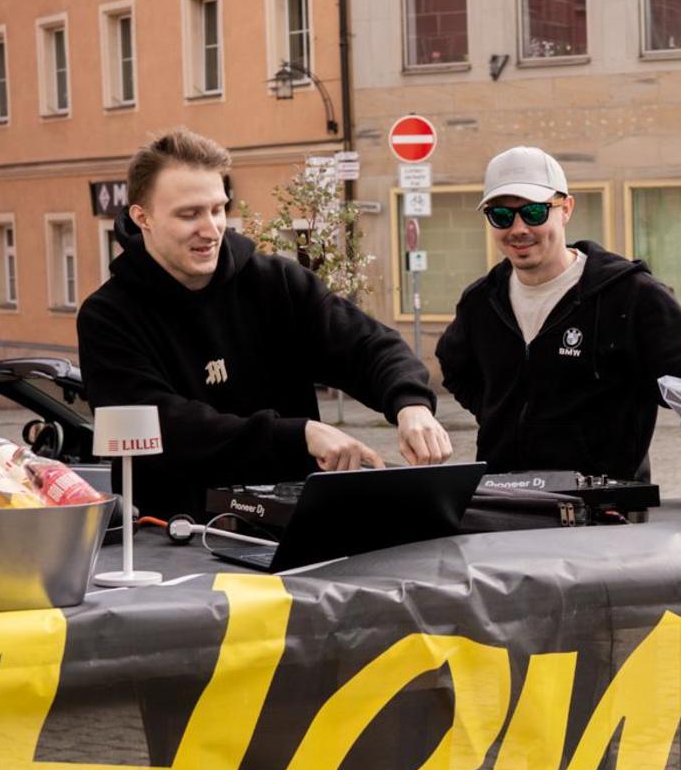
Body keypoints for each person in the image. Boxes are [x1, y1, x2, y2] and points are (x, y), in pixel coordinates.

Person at [77, 128, 451, 519]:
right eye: (189, 214)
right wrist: (298, 435)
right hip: (174, 536)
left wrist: (410, 405)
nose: (210, 229)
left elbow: (366, 345)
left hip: (294, 522)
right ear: (143, 217)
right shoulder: (109, 317)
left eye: (218, 209)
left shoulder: (276, 282)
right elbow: (164, 426)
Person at [435, 146, 681, 481]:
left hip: (603, 507)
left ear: (566, 208)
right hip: (504, 498)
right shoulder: (481, 301)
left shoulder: (631, 296)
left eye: (534, 212)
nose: (518, 229)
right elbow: (455, 366)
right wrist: (499, 411)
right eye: (501, 215)